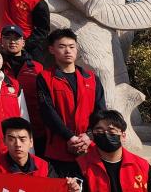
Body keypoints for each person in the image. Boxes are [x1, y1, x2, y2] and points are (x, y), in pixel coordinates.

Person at [37, 28, 105, 178]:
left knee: (90, 188)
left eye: (71, 46)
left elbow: (100, 111)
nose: (68, 51)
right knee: (62, 188)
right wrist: (70, 137)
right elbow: (47, 112)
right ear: (52, 49)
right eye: (62, 46)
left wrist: (88, 136)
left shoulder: (91, 78)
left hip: (88, 147)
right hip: (59, 148)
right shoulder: (45, 78)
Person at [0, 24, 46, 154]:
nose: (12, 41)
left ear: (23, 42)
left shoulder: (37, 68)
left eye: (16, 38)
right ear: (1, 41)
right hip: (7, 128)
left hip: (36, 128)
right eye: (7, 38)